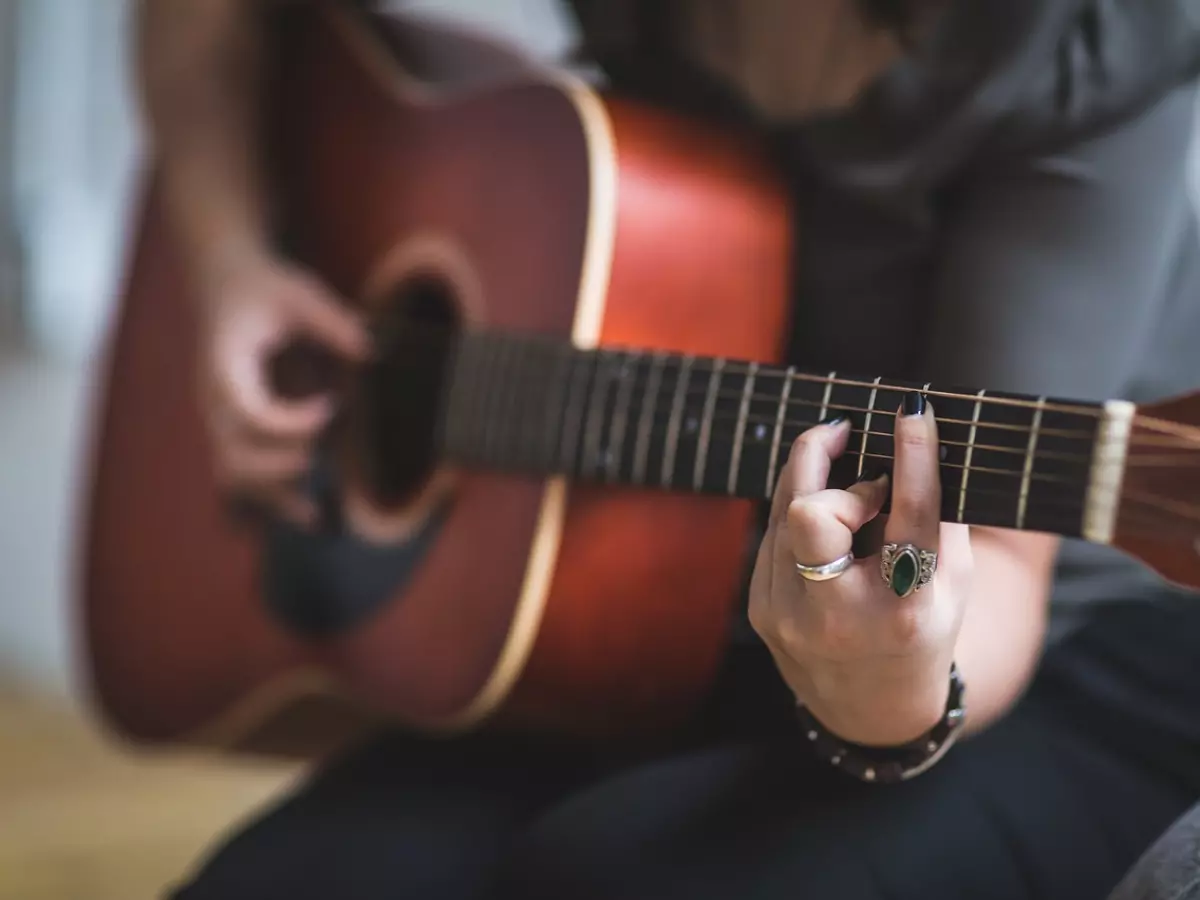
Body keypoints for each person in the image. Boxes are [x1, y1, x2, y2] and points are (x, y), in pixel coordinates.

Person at [135, 0, 1200, 897]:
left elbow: (1000, 573)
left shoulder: (1081, 32)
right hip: (643, 616)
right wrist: (228, 252)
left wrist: (891, 694)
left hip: (1057, 662)